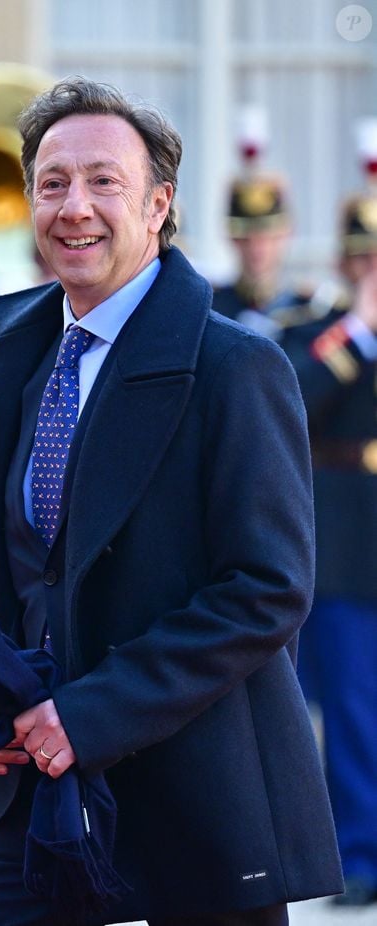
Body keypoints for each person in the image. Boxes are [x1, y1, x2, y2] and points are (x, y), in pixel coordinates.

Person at [0, 77, 343, 925]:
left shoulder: (237, 368)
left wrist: (92, 714)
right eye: (54, 182)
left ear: (159, 202)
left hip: (198, 783)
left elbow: (267, 589)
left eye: (104, 181)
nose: (76, 207)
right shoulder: (18, 357)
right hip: (31, 774)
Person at [282, 165, 377, 907]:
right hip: (347, 535)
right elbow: (294, 402)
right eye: (366, 258)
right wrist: (361, 332)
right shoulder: (319, 332)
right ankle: (359, 851)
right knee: (348, 702)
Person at [211, 107, 310, 340]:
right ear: (231, 237)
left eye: (268, 236)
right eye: (246, 237)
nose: (257, 248)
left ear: (288, 233)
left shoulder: (310, 310)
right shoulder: (210, 308)